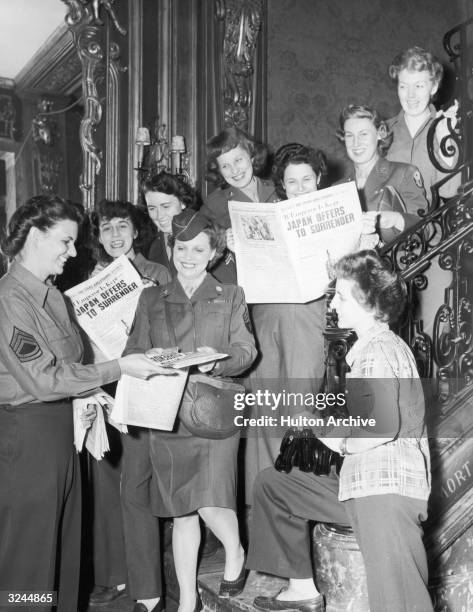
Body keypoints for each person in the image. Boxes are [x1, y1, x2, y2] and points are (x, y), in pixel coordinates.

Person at [0, 195, 171, 612]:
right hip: (28, 439)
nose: (72, 252)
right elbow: (42, 379)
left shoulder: (52, 294)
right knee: (30, 557)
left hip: (61, 433)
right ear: (36, 237)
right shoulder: (10, 299)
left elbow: (67, 364)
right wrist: (119, 368)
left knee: (62, 551)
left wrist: (89, 393)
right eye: (65, 242)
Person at [246, 250, 432, 612]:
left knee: (400, 602)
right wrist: (319, 425)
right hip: (367, 486)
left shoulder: (377, 351)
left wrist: (340, 441)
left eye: (343, 296)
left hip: (385, 491)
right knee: (274, 484)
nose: (334, 303)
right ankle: (301, 589)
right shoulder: (372, 348)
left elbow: (380, 430)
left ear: (369, 303)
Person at [123, 209, 257, 612]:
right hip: (168, 412)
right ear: (172, 247)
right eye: (182, 247)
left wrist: (215, 360)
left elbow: (247, 351)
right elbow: (130, 352)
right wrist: (153, 355)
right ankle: (186, 601)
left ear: (213, 252)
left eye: (199, 248)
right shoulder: (151, 297)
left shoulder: (230, 295)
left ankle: (234, 552)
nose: (188, 255)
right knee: (181, 511)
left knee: (212, 500)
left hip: (216, 409)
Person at [86, 200, 171, 611]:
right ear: (98, 236)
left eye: (122, 226)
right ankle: (114, 575)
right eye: (106, 229)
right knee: (105, 483)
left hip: (141, 387)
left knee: (134, 487)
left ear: (136, 231)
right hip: (101, 386)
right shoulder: (91, 279)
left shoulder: (157, 274)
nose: (115, 235)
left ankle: (147, 587)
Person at [245, 143, 329, 502]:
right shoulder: (265, 215)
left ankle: (299, 506)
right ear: (281, 183)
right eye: (291, 181)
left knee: (300, 410)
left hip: (309, 317)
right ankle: (262, 512)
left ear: (318, 179)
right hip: (266, 317)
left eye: (306, 180)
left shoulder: (331, 215)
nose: (299, 188)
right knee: (263, 412)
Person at [337, 104, 428, 246]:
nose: (356, 143)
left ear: (380, 133)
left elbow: (426, 230)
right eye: (350, 135)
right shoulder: (337, 189)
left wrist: (395, 219)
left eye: (363, 134)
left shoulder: (403, 173)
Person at [200, 126, 278, 283]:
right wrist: (222, 241)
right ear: (219, 170)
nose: (234, 170)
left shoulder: (278, 190)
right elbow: (198, 250)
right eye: (225, 166)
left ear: (252, 156)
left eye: (238, 160)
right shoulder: (214, 204)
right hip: (242, 287)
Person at [387, 46, 459, 204]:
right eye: (404, 86)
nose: (410, 95)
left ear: (433, 87)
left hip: (433, 226)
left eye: (419, 86)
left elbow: (451, 191)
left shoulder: (446, 128)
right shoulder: (384, 131)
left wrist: (444, 137)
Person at [141, 170, 199, 275]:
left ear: (182, 202)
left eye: (166, 206)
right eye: (152, 208)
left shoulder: (203, 235)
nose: (159, 215)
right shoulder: (152, 244)